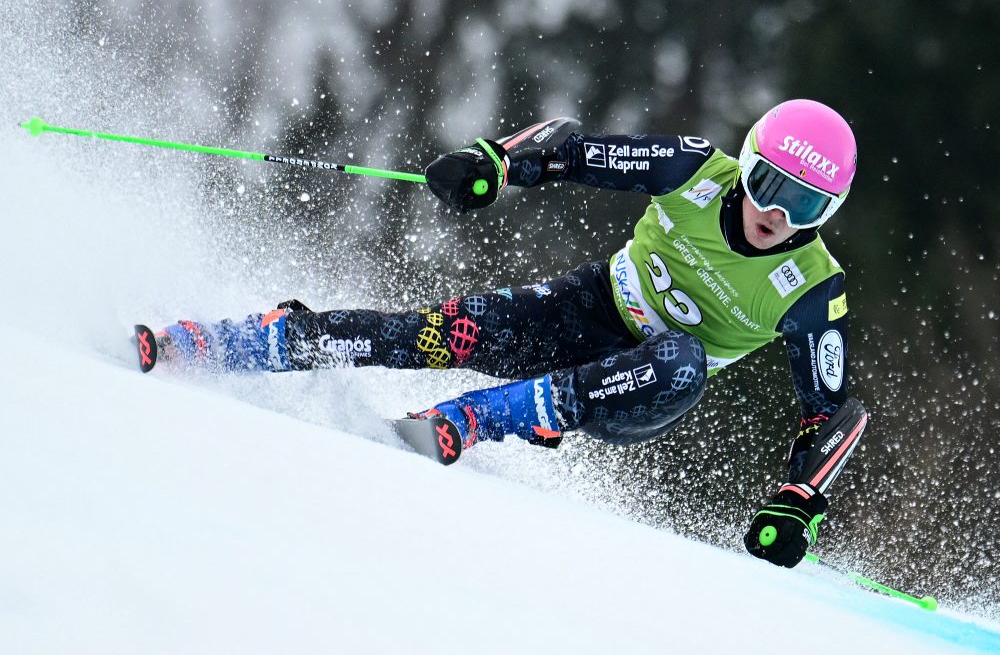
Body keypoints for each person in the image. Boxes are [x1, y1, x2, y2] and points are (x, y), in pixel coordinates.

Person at [152, 99, 868, 568]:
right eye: (771, 186)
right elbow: (573, 150)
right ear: (746, 166)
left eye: (806, 204)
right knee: (449, 330)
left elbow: (831, 413)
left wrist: (798, 498)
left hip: (643, 388)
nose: (778, 215)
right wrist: (494, 162)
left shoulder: (811, 287)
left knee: (681, 357)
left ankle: (479, 418)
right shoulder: (693, 170)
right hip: (589, 305)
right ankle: (263, 339)